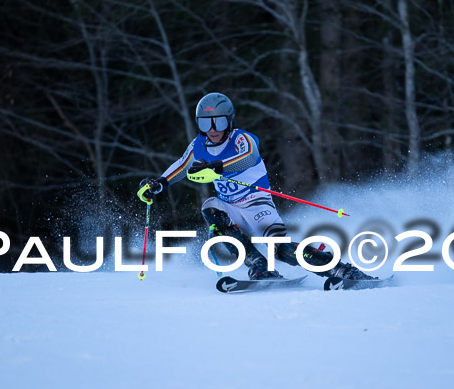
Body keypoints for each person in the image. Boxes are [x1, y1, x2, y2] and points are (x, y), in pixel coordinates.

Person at [138, 92, 374, 281]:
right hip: (230, 207)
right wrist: (158, 184)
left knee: (279, 250)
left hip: (256, 204)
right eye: (205, 123)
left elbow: (249, 157)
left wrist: (217, 167)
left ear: (229, 121)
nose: (212, 129)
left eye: (218, 122)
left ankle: (339, 269)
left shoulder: (241, 138)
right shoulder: (198, 144)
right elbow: (181, 165)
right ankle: (257, 265)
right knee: (210, 207)